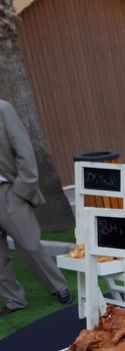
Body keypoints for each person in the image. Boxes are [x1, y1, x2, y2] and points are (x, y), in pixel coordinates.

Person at [0, 99, 72, 315]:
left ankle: (59, 287)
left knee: (30, 244)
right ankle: (14, 300)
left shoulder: (3, 109)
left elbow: (24, 150)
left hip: (8, 191)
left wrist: (22, 189)